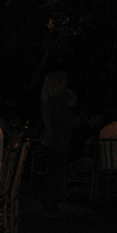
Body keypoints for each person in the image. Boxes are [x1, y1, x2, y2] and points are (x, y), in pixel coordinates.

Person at [39, 70, 78, 215]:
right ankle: (50, 204)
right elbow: (65, 121)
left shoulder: (49, 100)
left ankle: (50, 203)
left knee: (53, 173)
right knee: (55, 174)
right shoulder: (58, 101)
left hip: (53, 140)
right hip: (58, 140)